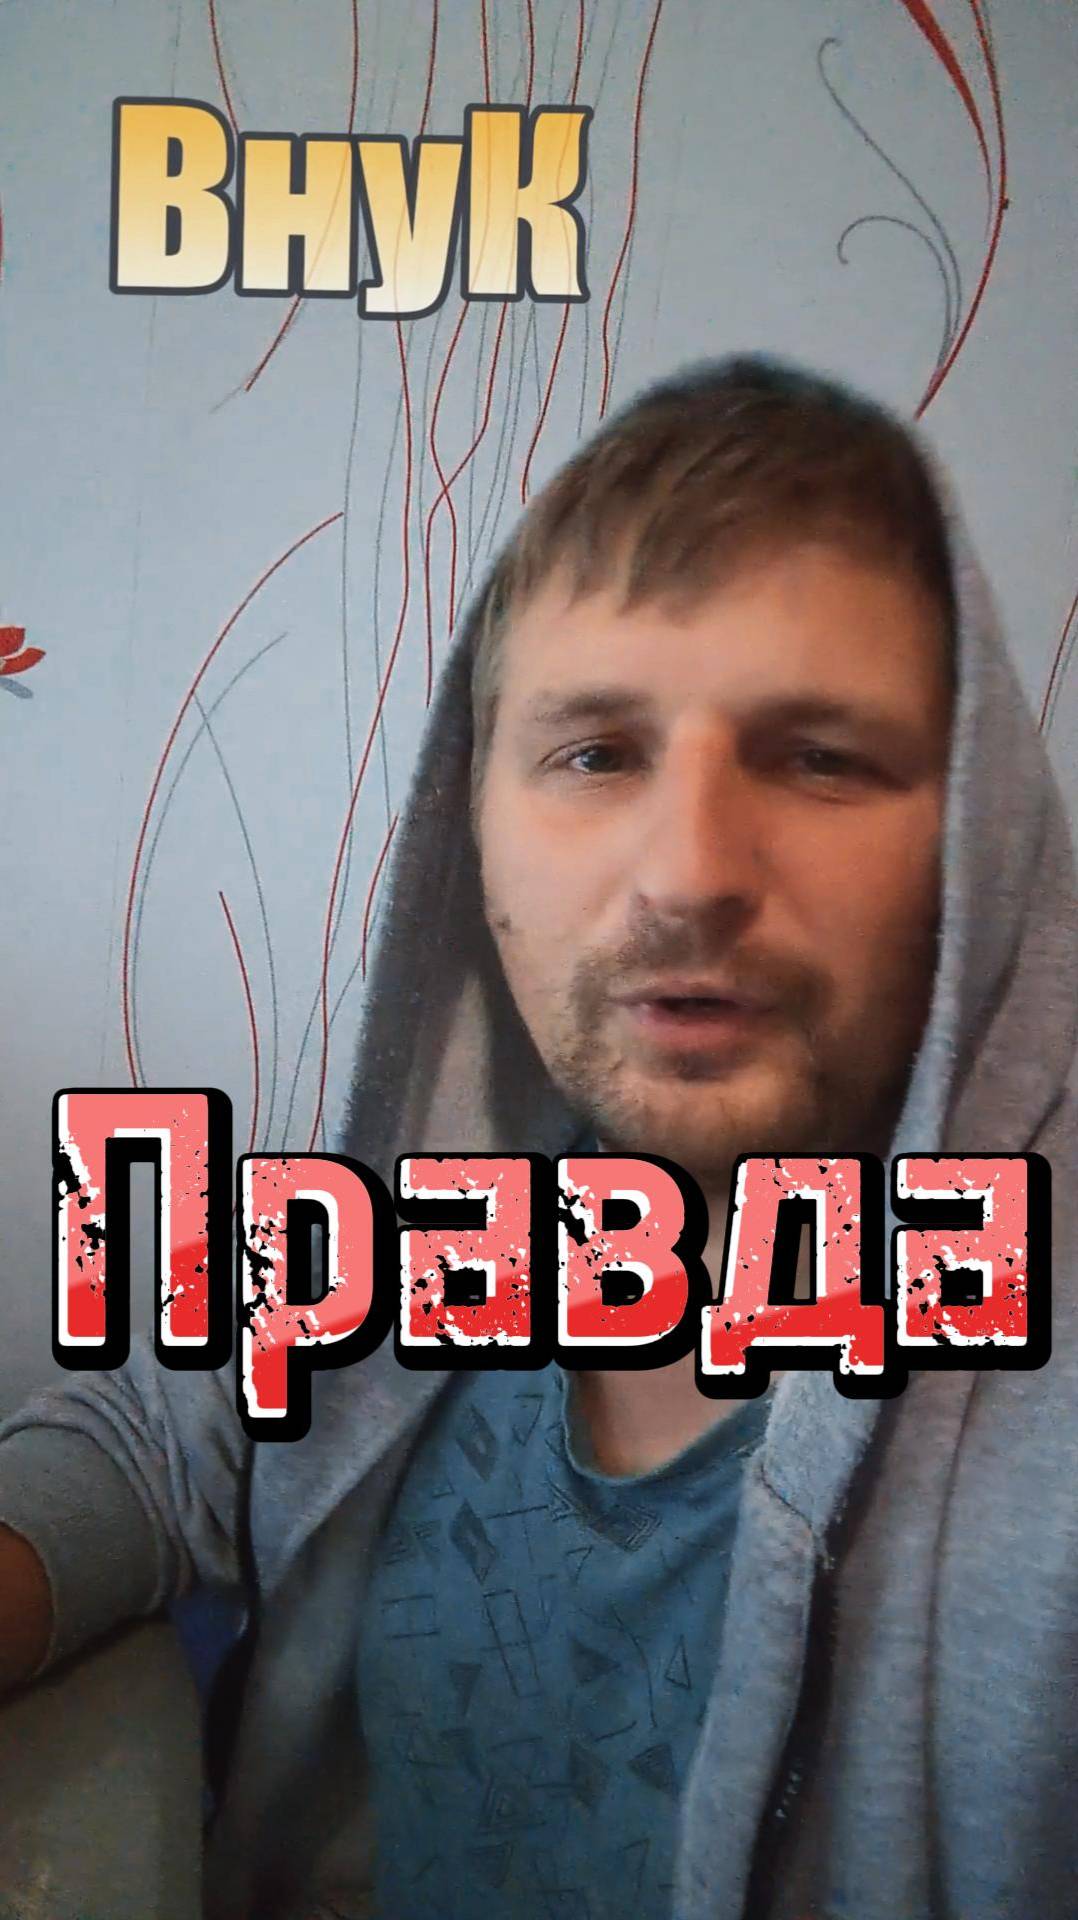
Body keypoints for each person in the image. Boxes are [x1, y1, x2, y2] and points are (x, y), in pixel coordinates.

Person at [1, 355, 1076, 1920]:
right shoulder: (428, 1229)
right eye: (596, 753)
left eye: (818, 756)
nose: (689, 873)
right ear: (475, 829)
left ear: (972, 847)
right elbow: (152, 1432)